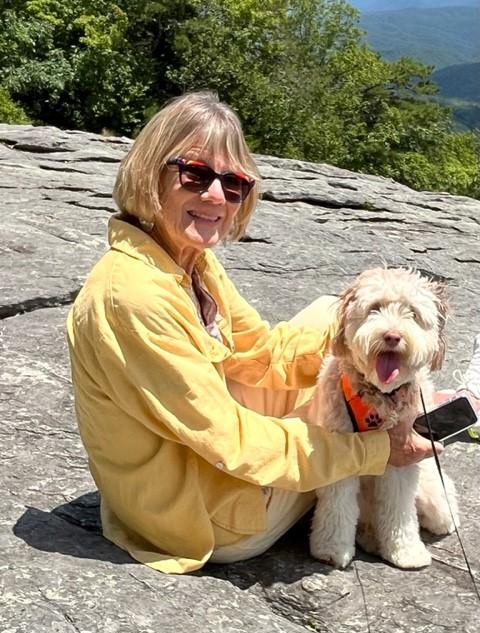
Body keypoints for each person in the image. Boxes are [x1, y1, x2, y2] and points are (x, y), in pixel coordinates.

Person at [66, 91, 479, 574]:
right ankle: (387, 478)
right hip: (205, 515)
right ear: (150, 171)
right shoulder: (133, 297)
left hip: (188, 466)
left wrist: (368, 349)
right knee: (348, 416)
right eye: (195, 175)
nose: (216, 196)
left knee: (331, 318)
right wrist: (376, 450)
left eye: (234, 182)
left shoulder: (184, 259)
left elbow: (259, 352)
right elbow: (230, 440)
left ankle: (393, 409)